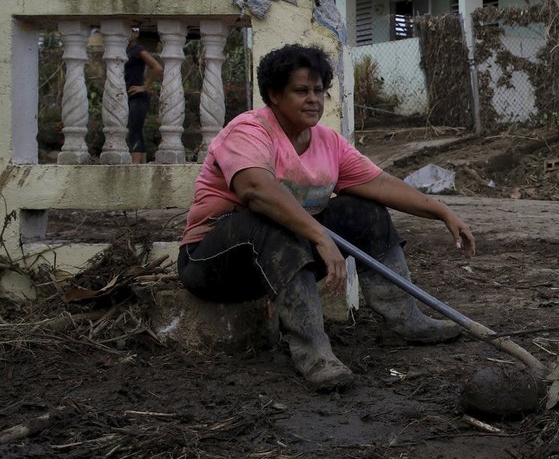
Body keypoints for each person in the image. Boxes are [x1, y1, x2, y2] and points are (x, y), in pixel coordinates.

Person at [177, 44, 475, 390]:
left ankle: (406, 320)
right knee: (271, 221)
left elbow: (378, 183)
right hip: (213, 262)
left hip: (284, 257)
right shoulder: (250, 130)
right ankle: (314, 354)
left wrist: (440, 211)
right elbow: (255, 189)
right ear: (274, 94)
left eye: (318, 91)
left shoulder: (328, 142)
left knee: (365, 212)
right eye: (301, 91)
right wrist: (320, 236)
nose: (313, 100)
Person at [126, 27, 163, 163]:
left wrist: (145, 87)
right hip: (126, 96)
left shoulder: (137, 50)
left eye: (131, 31)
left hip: (137, 96)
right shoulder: (123, 50)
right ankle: (139, 165)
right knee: (133, 130)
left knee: (134, 131)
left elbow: (157, 67)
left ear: (135, 34)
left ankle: (135, 166)